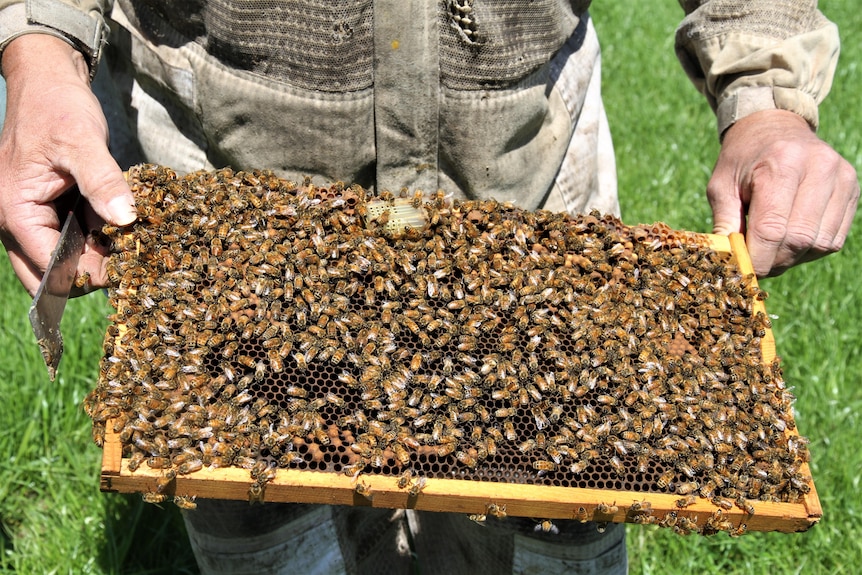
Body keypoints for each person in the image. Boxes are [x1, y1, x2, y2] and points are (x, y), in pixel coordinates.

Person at [0, 1, 857, 574]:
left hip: (529, 194)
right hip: (233, 193)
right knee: (254, 500)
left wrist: (768, 96)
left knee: (566, 500)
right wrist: (39, 52)